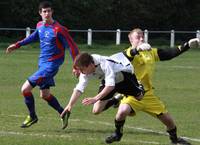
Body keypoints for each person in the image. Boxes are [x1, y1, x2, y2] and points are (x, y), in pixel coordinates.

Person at [105, 28, 199, 144]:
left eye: (142, 36)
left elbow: (168, 54)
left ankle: (174, 140)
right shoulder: (127, 53)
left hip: (149, 95)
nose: (142, 38)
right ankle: (117, 134)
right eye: (138, 37)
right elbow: (127, 55)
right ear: (131, 40)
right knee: (122, 111)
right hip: (134, 93)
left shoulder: (151, 52)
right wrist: (136, 50)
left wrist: (187, 45)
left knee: (169, 121)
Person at [6, 1, 79, 128]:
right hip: (42, 65)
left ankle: (32, 116)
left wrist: (76, 66)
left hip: (50, 67)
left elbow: (73, 48)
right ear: (40, 13)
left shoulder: (59, 29)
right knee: (45, 95)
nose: (47, 14)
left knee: (25, 89)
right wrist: (17, 45)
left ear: (52, 12)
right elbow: (33, 37)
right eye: (44, 11)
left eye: (49, 11)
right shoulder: (40, 25)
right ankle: (63, 112)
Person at [60, 52, 146, 129]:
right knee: (96, 110)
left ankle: (139, 85)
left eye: (82, 70)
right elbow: (79, 88)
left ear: (90, 65)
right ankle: (116, 99)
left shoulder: (104, 63)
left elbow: (110, 86)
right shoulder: (86, 69)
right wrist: (69, 105)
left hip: (123, 75)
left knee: (140, 97)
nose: (81, 73)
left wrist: (95, 98)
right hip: (108, 79)